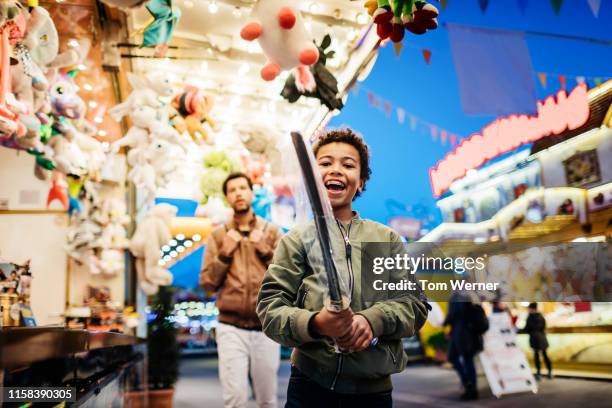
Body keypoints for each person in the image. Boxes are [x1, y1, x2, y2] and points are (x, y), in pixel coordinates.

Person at [257, 129, 429, 408]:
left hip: (374, 393)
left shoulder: (385, 239)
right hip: (310, 387)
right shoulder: (297, 239)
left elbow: (414, 305)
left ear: (360, 182)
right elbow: (270, 310)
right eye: (324, 163)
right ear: (311, 178)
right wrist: (316, 323)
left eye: (348, 165)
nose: (335, 170)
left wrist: (372, 320)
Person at [201, 172, 284, 408]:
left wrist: (266, 250)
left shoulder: (272, 232)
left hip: (266, 327)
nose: (238, 193)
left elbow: (289, 277)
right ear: (227, 197)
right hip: (230, 328)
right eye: (232, 190)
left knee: (267, 400)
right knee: (234, 400)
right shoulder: (218, 236)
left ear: (251, 192)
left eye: (242, 188)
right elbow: (207, 283)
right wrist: (224, 255)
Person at [443, 292, 488, 401]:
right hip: (472, 335)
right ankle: (472, 389)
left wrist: (444, 323)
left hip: (461, 334)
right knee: (469, 361)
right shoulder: (471, 296)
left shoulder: (456, 297)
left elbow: (452, 314)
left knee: (454, 358)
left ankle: (468, 385)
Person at [520, 302, 552, 380]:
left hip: (535, 339)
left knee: (537, 356)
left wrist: (518, 330)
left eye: (529, 308)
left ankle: (539, 373)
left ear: (532, 309)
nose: (528, 310)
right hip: (542, 338)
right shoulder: (541, 316)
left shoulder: (530, 317)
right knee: (544, 355)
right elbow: (543, 326)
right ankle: (549, 372)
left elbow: (527, 329)